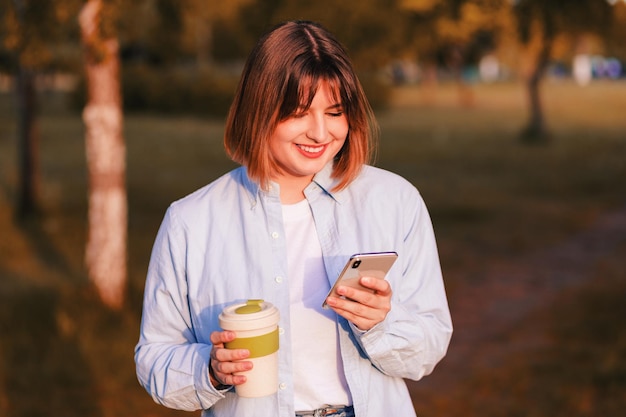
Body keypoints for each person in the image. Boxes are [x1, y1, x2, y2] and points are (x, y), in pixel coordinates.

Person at [135, 20, 452, 417]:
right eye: (300, 113)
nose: (320, 133)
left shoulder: (395, 201)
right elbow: (155, 360)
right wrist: (211, 370)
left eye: (335, 112)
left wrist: (379, 326)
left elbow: (430, 345)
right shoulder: (191, 222)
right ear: (259, 108)